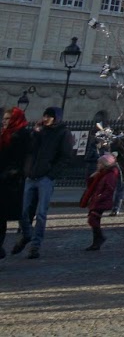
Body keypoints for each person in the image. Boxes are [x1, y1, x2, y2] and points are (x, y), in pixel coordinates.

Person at [15, 106, 74, 258]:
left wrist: (51, 174)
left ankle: (35, 246)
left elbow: (65, 156)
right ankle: (27, 235)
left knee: (41, 213)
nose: (46, 118)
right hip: (30, 176)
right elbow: (28, 150)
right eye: (45, 115)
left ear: (56, 118)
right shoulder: (39, 132)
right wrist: (34, 134)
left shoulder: (63, 133)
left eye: (50, 116)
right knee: (22, 211)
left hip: (45, 178)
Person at [0, 106, 31, 255]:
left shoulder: (21, 135)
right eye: (4, 118)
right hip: (4, 180)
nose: (4, 121)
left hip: (10, 183)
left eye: (7, 119)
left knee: (2, 217)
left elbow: (19, 161)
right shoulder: (5, 134)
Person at [79, 153, 119, 251]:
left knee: (93, 219)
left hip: (101, 200)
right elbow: (91, 185)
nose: (98, 165)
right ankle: (96, 241)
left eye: (100, 163)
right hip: (97, 199)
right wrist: (93, 176)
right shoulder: (102, 173)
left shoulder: (110, 174)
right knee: (94, 220)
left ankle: (99, 239)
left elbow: (109, 188)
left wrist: (100, 197)